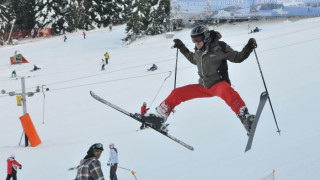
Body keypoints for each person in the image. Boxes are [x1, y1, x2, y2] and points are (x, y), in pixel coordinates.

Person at [144, 24, 258, 134]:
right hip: (203, 87)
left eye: (198, 39)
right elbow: (192, 59)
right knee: (177, 93)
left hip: (218, 85)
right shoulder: (198, 52)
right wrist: (182, 47)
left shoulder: (220, 47)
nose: (195, 42)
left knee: (226, 89)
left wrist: (248, 48)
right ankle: (159, 117)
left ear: (206, 37)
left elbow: (237, 58)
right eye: (193, 40)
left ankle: (245, 117)